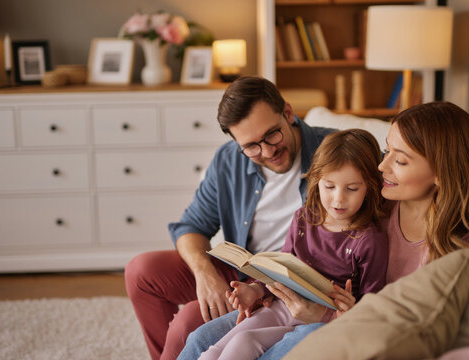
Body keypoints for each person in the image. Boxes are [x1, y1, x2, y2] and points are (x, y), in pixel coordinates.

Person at [179, 101, 469, 359]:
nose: (381, 166)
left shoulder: (455, 252)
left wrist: (321, 316)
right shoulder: (377, 201)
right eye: (386, 150)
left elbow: (400, 331)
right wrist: (263, 289)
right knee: (201, 338)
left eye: (399, 160)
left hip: (337, 329)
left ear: (443, 174)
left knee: (261, 344)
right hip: (296, 309)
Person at [123, 76, 335, 360]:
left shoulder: (334, 151)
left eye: (273, 134)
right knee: (141, 271)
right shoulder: (228, 160)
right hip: (242, 270)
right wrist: (205, 274)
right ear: (237, 142)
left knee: (189, 322)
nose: (268, 151)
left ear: (288, 112)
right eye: (251, 146)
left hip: (291, 282)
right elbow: (191, 227)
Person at [198, 129, 389, 360]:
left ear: (369, 187)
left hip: (325, 321)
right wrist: (254, 290)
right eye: (329, 186)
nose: (338, 199)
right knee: (219, 350)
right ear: (317, 180)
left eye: (352, 189)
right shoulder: (304, 218)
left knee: (246, 343)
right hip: (283, 305)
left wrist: (352, 308)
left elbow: (373, 306)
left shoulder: (369, 239)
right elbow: (281, 268)